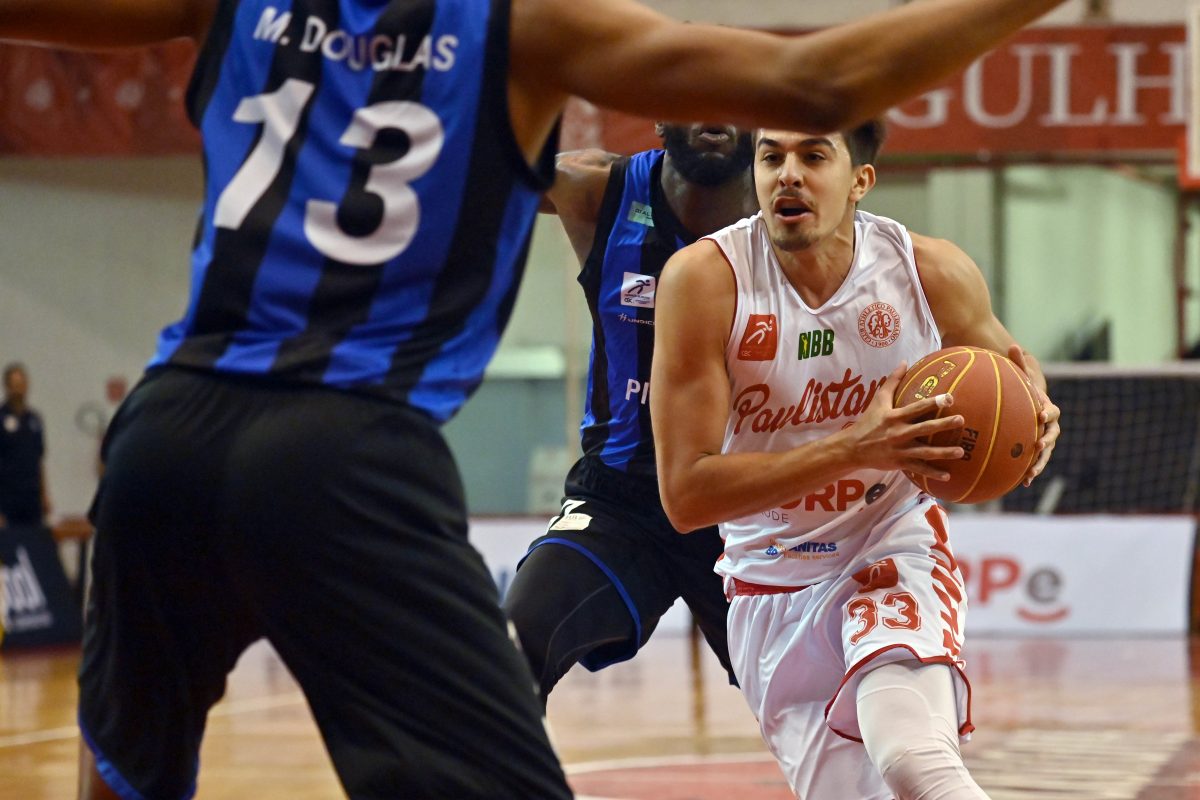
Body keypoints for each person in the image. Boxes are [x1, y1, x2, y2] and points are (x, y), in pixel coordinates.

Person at [0, 0, 1070, 798]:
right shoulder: (533, 52)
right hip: (412, 460)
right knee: (509, 676)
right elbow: (818, 74)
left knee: (127, 764)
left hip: (167, 429)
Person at [650, 122, 1061, 799]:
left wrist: (1035, 412)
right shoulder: (705, 280)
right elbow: (686, 497)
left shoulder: (927, 272)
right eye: (771, 157)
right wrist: (855, 447)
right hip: (768, 582)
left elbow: (1012, 376)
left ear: (859, 181)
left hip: (888, 545)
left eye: (814, 156)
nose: (788, 174)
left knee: (912, 756)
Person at [504, 124, 756, 701]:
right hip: (620, 501)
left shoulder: (792, 216)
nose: (715, 112)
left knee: (820, 716)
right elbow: (469, 166)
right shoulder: (598, 189)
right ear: (661, 112)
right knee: (508, 654)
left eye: (735, 99)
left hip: (748, 507)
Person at [0, 362, 51, 528]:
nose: (18, 390)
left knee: (34, 539)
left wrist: (44, 495)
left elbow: (39, 460)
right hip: (7, 498)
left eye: (21, 385)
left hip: (32, 498)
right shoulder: (1, 418)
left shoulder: (34, 420)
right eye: (14, 385)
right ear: (7, 386)